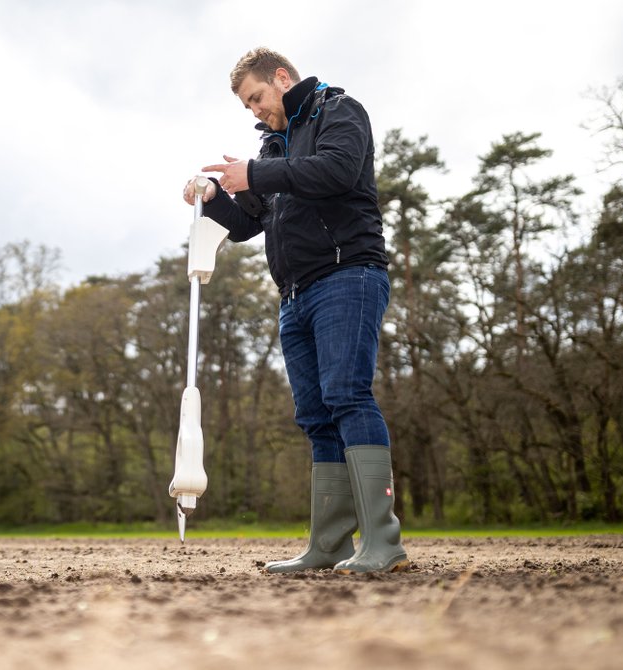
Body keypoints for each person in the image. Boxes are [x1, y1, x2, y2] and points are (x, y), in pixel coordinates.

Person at [184, 47, 408, 574]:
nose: (255, 111)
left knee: (348, 396)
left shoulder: (338, 111)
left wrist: (257, 173)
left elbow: (335, 171)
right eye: (247, 106)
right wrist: (215, 194)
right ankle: (327, 544)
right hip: (293, 294)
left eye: (257, 98)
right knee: (314, 415)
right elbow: (246, 224)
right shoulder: (274, 145)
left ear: (282, 78)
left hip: (348, 274)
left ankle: (383, 541)